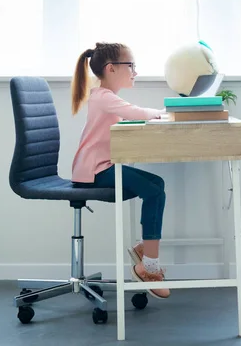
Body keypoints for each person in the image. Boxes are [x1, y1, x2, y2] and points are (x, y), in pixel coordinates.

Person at [71, 41, 170, 299]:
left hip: (100, 167)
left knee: (156, 185)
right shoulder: (103, 97)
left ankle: (144, 249)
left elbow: (129, 114)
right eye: (131, 66)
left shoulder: (106, 97)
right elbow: (133, 111)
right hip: (93, 172)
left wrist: (155, 115)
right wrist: (164, 113)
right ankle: (149, 266)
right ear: (111, 68)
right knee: (154, 192)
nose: (135, 71)